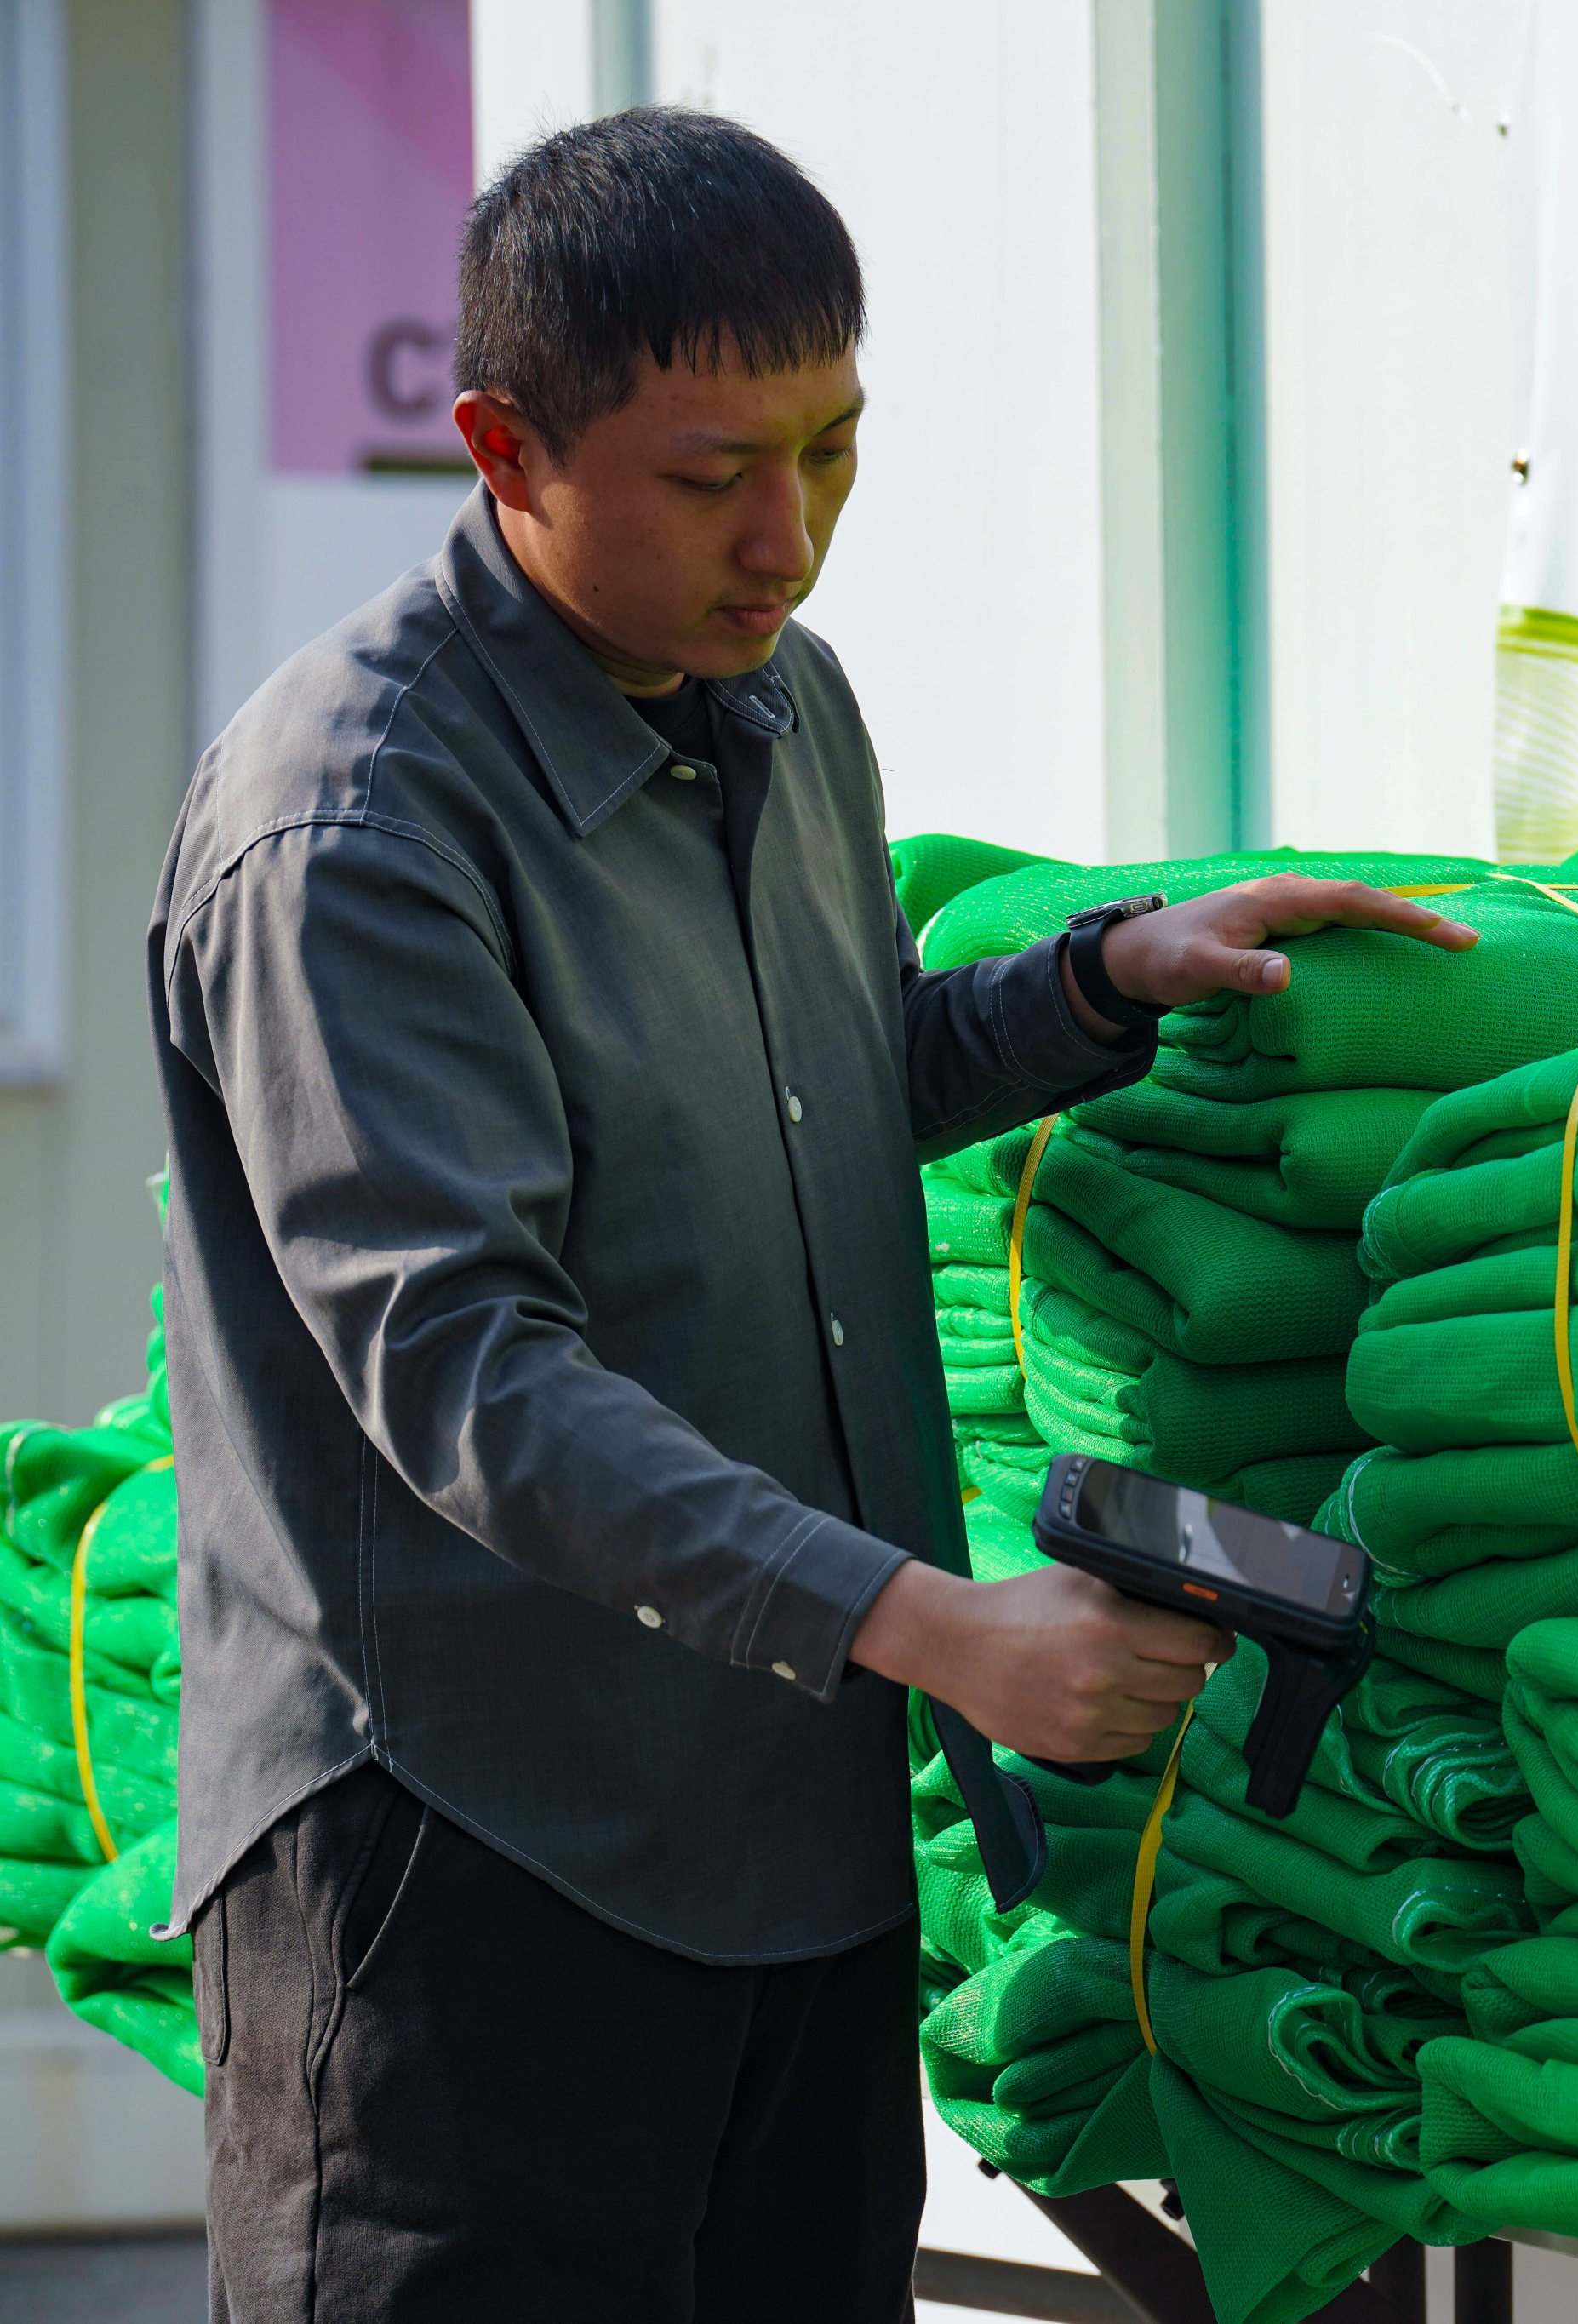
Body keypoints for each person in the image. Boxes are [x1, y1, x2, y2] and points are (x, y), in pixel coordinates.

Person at [146, 108, 1472, 2321]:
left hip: (781, 1841)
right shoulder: (353, 823)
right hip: (466, 1864)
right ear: (503, 444)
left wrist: (1092, 981)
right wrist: (941, 1627)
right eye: (709, 474)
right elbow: (465, 1371)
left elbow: (813, 1089)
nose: (788, 538)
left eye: (832, 452)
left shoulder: (776, 702)